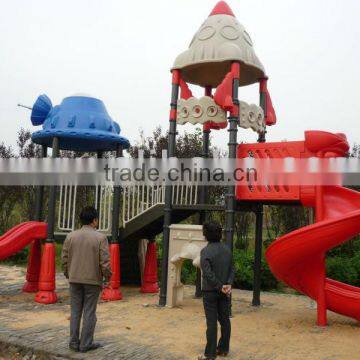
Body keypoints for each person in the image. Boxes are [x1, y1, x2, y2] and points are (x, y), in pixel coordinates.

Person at [61, 206, 112, 353]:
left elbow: (64, 259)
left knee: (75, 311)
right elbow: (105, 262)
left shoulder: (70, 236)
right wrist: (107, 277)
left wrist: (68, 274)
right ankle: (86, 344)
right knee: (89, 312)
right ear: (94, 220)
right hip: (93, 281)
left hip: (74, 279)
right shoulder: (100, 238)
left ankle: (73, 343)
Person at [198, 221, 235, 360]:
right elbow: (232, 268)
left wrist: (219, 286)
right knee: (225, 320)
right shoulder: (227, 249)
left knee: (211, 322)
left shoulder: (205, 251)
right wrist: (228, 284)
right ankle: (224, 349)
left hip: (210, 292)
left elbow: (207, 274)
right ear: (220, 233)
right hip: (225, 291)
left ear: (206, 235)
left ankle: (210, 354)